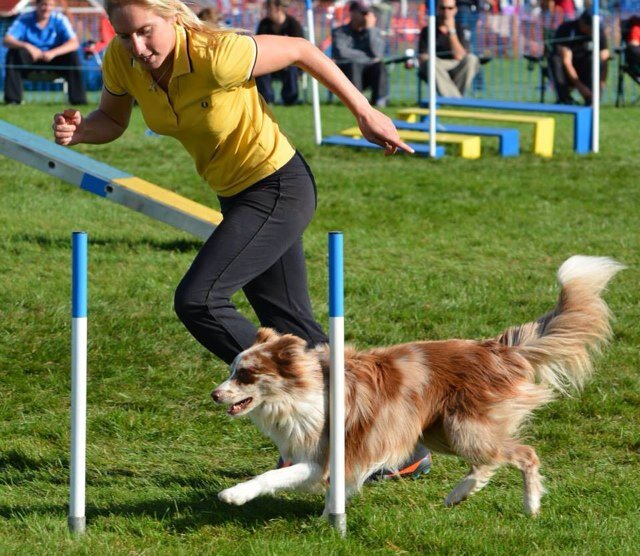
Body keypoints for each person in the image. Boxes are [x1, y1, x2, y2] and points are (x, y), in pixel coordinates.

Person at [51, 0, 430, 478]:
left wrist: (364, 111)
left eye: (146, 32)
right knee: (292, 324)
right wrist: (81, 130)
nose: (138, 47)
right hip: (235, 195)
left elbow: (299, 48)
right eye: (125, 35)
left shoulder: (217, 52)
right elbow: (112, 119)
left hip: (277, 186)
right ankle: (400, 446)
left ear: (173, 16)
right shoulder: (121, 59)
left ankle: (304, 401)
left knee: (200, 301)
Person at [3, 0, 87, 105]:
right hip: (31, 61)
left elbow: (74, 43)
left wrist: (53, 52)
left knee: (72, 55)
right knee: (13, 54)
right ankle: (13, 100)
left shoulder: (60, 19)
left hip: (54, 60)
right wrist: (28, 46)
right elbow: (7, 40)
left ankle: (78, 101)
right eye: (43, 4)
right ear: (36, 5)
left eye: (50, 5)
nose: (47, 8)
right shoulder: (24, 19)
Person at [331, 0, 389, 107]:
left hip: (368, 70)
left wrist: (370, 29)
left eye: (368, 13)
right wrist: (367, 56)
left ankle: (380, 100)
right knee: (354, 64)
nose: (365, 16)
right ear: (352, 13)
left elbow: (378, 53)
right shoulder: (340, 32)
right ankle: (356, 102)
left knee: (379, 66)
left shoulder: (375, 32)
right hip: (346, 71)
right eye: (362, 13)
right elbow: (341, 53)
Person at [417, 0, 480, 98]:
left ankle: (452, 99)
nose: (446, 11)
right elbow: (422, 57)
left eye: (450, 8)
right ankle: (457, 101)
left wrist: (451, 31)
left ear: (455, 10)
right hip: (437, 66)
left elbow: (460, 56)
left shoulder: (461, 29)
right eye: (443, 8)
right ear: (437, 9)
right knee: (431, 63)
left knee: (472, 59)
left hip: (455, 65)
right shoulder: (428, 30)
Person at [550, 11, 609, 105]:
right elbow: (567, 61)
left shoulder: (599, 33)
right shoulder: (566, 29)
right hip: (566, 69)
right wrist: (580, 87)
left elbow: (604, 59)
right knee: (555, 60)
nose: (594, 31)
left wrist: (601, 86)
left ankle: (591, 97)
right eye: (591, 27)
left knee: (593, 60)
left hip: (586, 67)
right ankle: (565, 98)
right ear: (582, 23)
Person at [255, 0, 304, 105]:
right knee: (260, 67)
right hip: (269, 62)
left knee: (291, 68)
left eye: (268, 8)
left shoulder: (293, 24)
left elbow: (299, 48)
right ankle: (266, 99)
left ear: (277, 8)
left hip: (290, 63)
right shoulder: (264, 24)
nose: (266, 11)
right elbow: (259, 46)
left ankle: (290, 100)